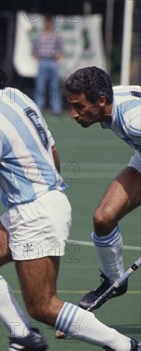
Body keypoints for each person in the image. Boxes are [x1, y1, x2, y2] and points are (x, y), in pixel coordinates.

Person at [0, 42, 141, 351]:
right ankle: (23, 336)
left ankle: (124, 347)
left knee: (43, 305)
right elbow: (52, 151)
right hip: (36, 206)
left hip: (36, 212)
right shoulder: (18, 97)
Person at [64, 66, 141, 310]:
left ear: (102, 101)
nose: (74, 115)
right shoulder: (112, 104)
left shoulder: (134, 121)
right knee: (103, 218)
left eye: (79, 107)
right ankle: (114, 280)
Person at [32, 14, 63, 115]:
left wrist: (58, 59)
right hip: (43, 61)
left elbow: (61, 49)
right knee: (40, 86)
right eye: (46, 22)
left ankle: (56, 109)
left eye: (49, 22)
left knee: (54, 86)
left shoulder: (56, 35)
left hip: (52, 61)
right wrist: (38, 59)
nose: (47, 24)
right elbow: (34, 49)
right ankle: (38, 107)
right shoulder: (40, 35)